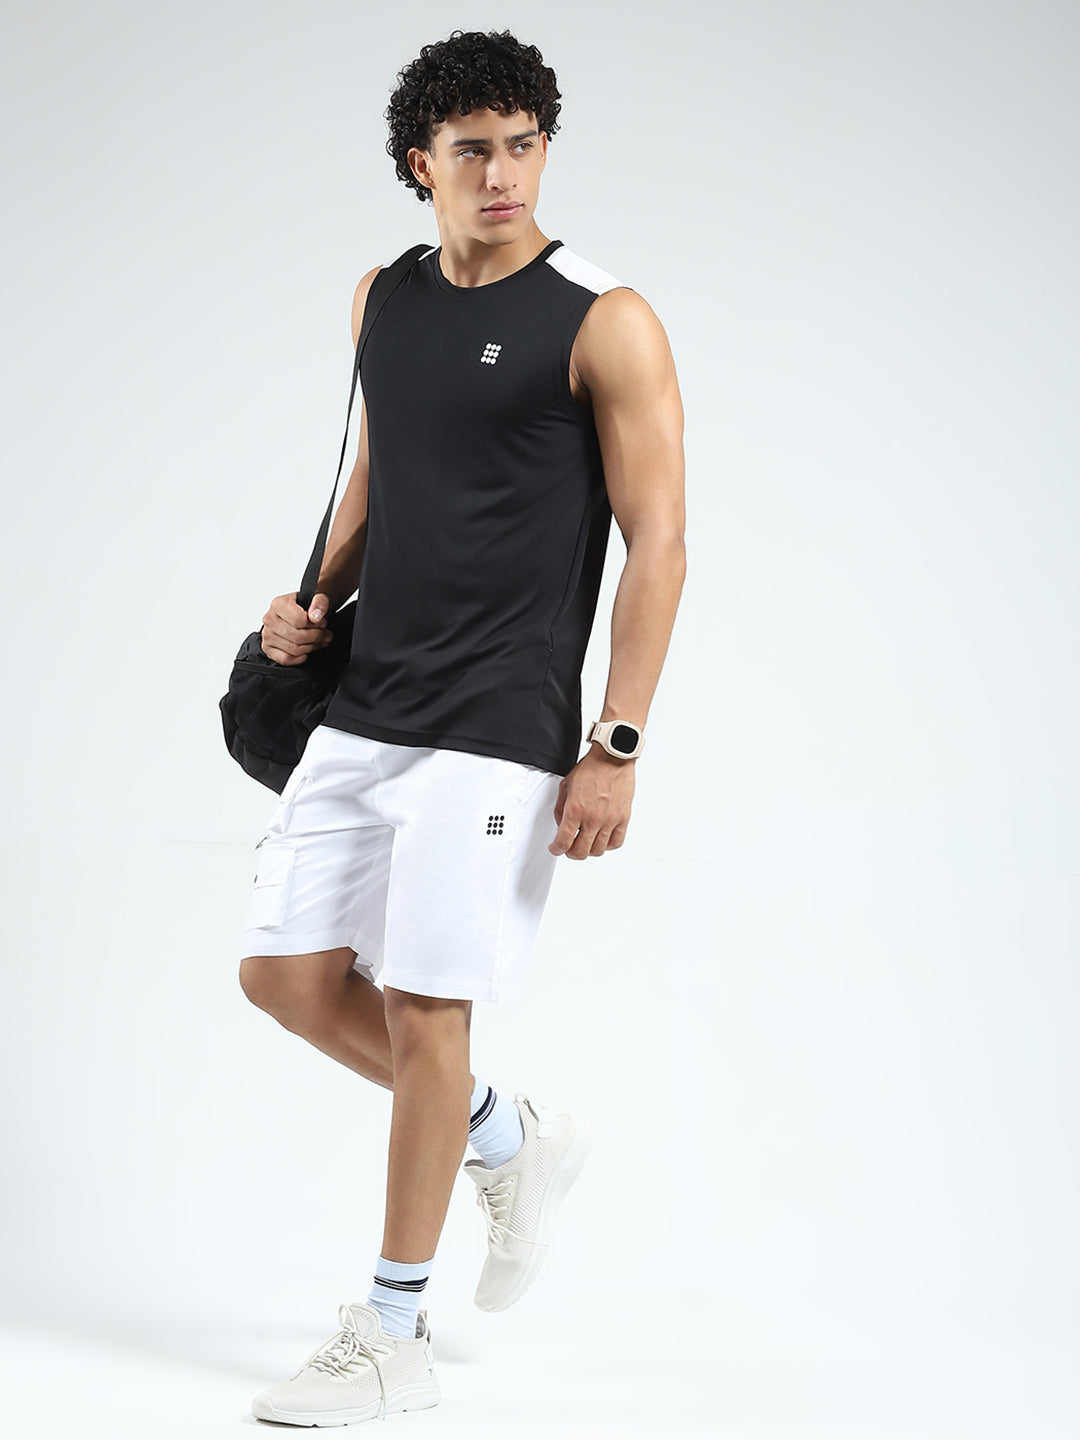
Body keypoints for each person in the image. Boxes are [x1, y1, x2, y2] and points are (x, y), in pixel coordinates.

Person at [238, 27, 686, 1427]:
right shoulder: (384, 298)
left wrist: (616, 742)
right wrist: (315, 598)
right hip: (372, 699)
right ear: (417, 163)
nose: (504, 174)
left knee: (428, 1011)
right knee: (284, 978)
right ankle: (509, 1136)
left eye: (524, 145)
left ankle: (391, 1331)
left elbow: (661, 541)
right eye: (474, 150)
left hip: (499, 722)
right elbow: (375, 479)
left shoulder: (605, 319)